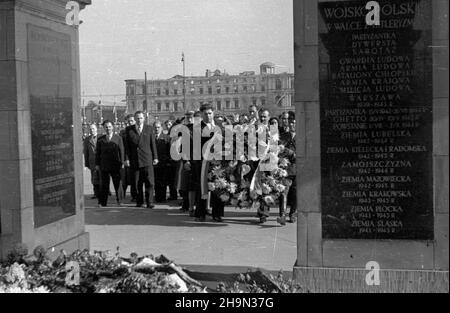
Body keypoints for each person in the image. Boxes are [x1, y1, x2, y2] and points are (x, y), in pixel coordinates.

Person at [124, 111, 159, 209]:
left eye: (141, 118)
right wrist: (126, 159)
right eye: (137, 118)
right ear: (134, 119)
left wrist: (155, 157)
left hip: (147, 159)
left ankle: (149, 202)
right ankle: (139, 201)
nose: (139, 120)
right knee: (136, 183)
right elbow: (127, 146)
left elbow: (153, 144)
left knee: (149, 182)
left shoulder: (149, 128)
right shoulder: (129, 130)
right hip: (135, 160)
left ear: (144, 119)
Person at [95, 120, 125, 207]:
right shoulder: (100, 139)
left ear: (113, 127)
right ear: (104, 128)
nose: (108, 128)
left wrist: (122, 162)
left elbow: (121, 151)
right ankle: (102, 202)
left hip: (116, 165)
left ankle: (120, 200)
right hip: (104, 165)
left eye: (109, 126)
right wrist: (97, 164)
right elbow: (98, 153)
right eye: (106, 127)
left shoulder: (118, 138)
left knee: (117, 184)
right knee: (104, 184)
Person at [277, 114, 297, 225]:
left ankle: (293, 214)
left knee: (295, 193)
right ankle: (282, 215)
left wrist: (293, 154)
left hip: (298, 169)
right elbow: (278, 150)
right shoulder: (283, 136)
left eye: (294, 122)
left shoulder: (303, 136)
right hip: (286, 169)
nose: (292, 124)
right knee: (283, 192)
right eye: (290, 122)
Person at [120, 114, 137, 202]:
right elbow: (123, 147)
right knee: (124, 178)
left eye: (131, 121)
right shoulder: (123, 133)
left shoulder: (137, 131)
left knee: (134, 178)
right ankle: (121, 195)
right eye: (128, 121)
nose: (129, 123)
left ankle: (135, 195)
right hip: (125, 158)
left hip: (135, 158)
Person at [154, 121, 171, 203]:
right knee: (156, 181)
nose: (156, 129)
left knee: (163, 181)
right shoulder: (152, 137)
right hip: (154, 163)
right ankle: (157, 196)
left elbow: (169, 150)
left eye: (158, 127)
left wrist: (168, 160)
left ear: (161, 127)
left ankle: (163, 197)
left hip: (164, 162)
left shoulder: (166, 137)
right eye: (155, 127)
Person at [83, 123, 100, 199]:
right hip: (92, 161)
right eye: (90, 129)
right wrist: (86, 164)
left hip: (101, 161)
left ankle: (105, 192)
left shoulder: (101, 137)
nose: (92, 130)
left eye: (93, 128)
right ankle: (96, 193)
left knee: (103, 177)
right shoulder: (87, 139)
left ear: (96, 129)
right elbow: (85, 152)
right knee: (94, 178)